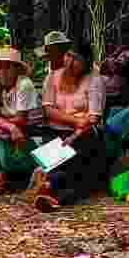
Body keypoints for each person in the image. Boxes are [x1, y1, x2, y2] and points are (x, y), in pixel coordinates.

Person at [30, 39, 106, 211]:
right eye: (69, 56)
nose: (70, 63)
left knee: (73, 154)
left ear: (86, 63)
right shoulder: (52, 77)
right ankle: (51, 188)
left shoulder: (95, 80)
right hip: (55, 131)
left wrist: (75, 133)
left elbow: (93, 118)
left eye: (77, 59)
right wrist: (76, 120)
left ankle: (49, 187)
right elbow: (48, 110)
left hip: (82, 134)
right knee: (62, 157)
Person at [0, 47, 39, 196]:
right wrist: (10, 126)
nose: (3, 72)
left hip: (30, 127)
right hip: (8, 125)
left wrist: (6, 125)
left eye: (8, 67)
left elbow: (22, 118)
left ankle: (1, 177)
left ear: (17, 69)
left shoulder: (24, 84)